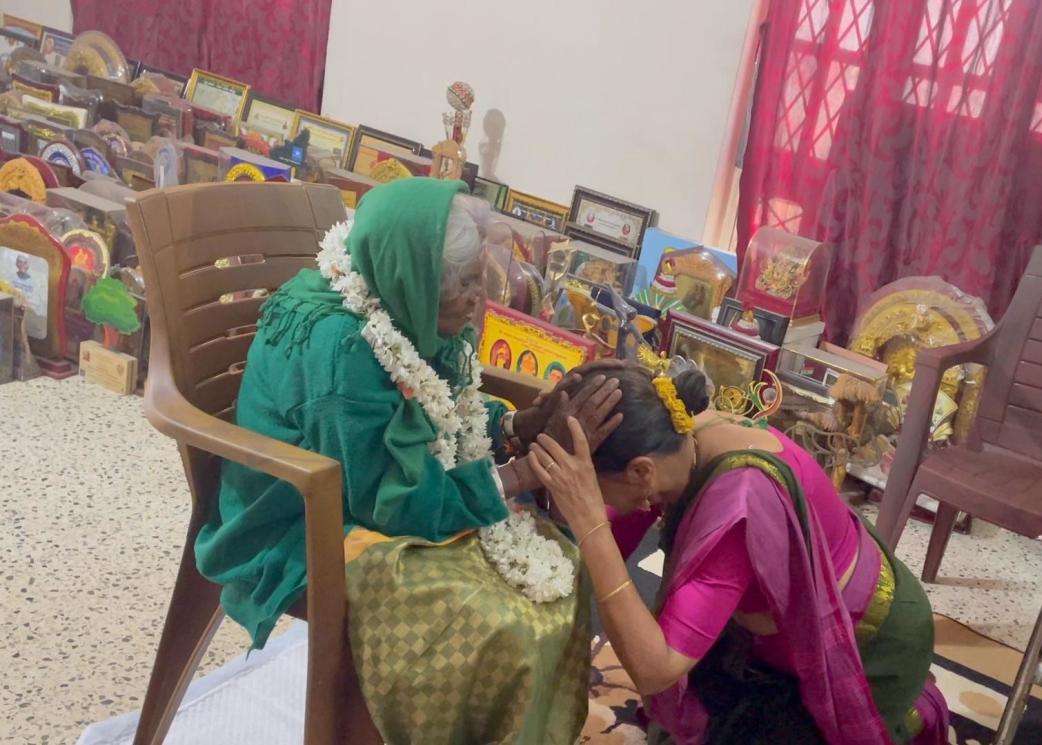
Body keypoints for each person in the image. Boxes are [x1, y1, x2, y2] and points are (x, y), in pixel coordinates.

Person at [195, 178, 621, 744]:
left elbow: (439, 404)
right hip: (304, 518)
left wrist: (514, 426)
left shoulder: (393, 288)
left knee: (561, 569)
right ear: (413, 278)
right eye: (464, 284)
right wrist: (518, 474)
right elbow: (392, 497)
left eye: (478, 277)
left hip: (368, 482)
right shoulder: (346, 349)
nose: (479, 297)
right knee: (496, 624)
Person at [528, 364, 949, 745]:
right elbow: (593, 548)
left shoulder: (740, 502)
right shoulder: (674, 436)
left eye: (593, 486)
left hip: (871, 643)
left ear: (641, 471)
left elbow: (655, 667)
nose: (591, 498)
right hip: (767, 632)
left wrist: (590, 524)